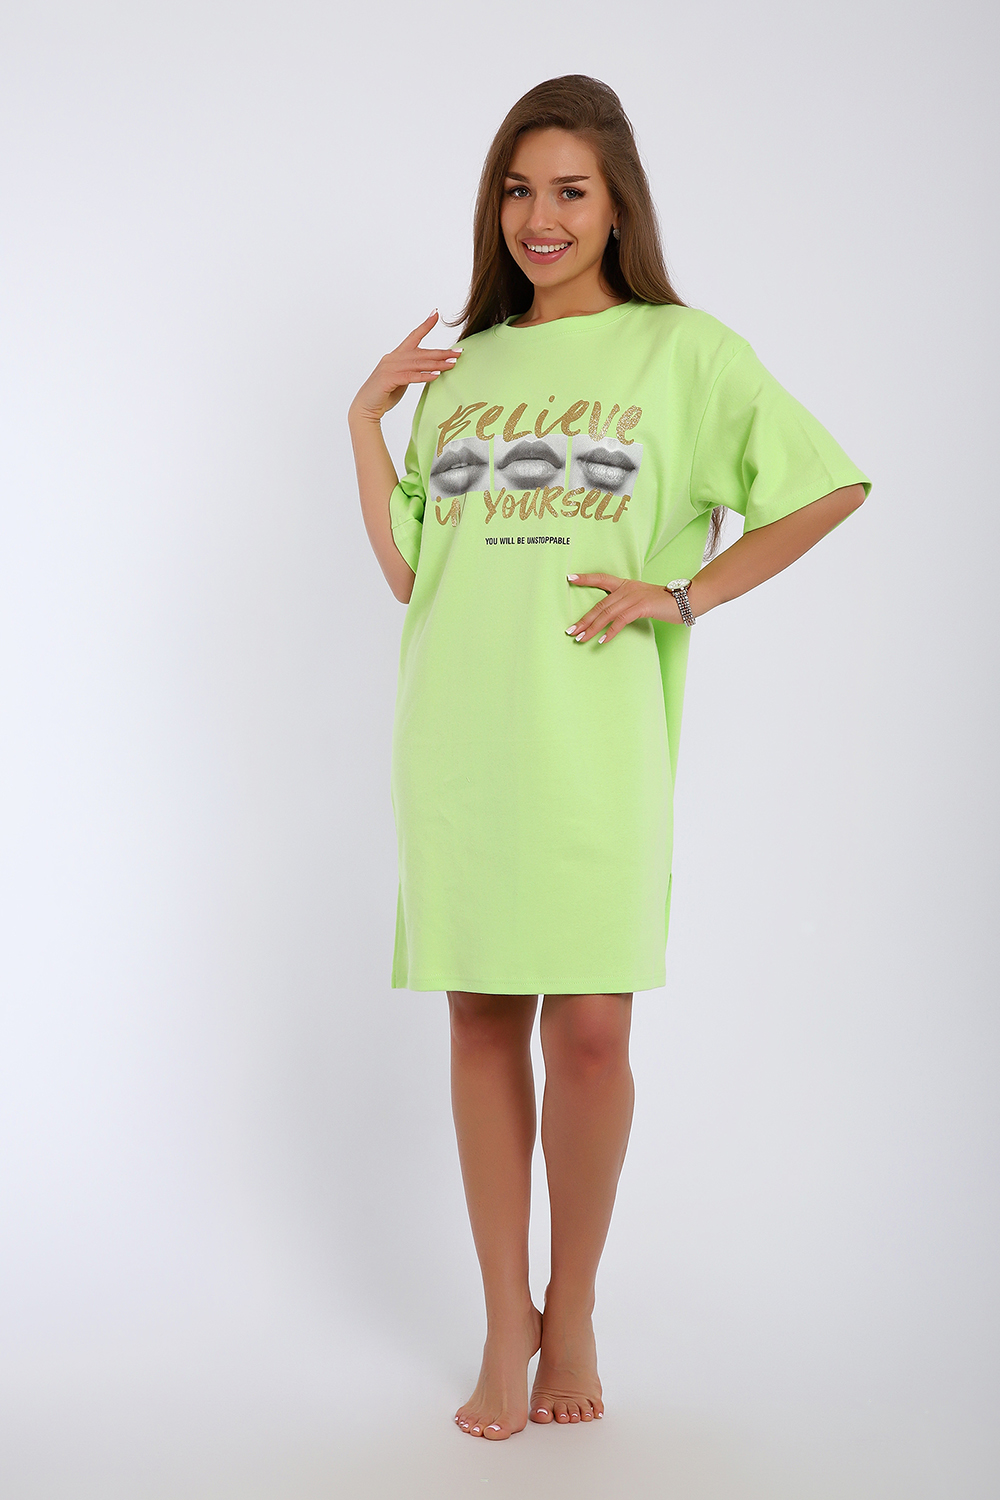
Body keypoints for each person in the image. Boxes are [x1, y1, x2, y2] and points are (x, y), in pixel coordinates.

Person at [348, 74, 870, 1441]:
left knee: (590, 1033)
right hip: (458, 735)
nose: (541, 217)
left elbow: (825, 485)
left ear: (618, 203)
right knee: (480, 1019)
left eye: (570, 191)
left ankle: (570, 1305)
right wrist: (363, 425)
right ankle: (502, 1321)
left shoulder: (682, 353)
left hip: (595, 738)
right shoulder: (465, 370)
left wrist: (683, 596)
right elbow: (411, 573)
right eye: (518, 191)